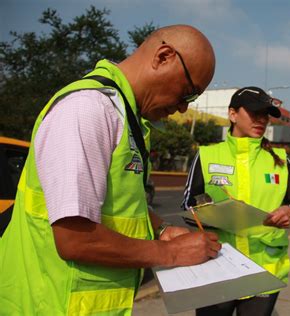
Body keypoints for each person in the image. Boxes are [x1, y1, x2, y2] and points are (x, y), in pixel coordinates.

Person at [0, 25, 222, 315]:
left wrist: (162, 230)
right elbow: (74, 240)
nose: (182, 108)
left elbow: (119, 206)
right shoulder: (87, 111)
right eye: (188, 94)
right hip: (51, 305)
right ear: (164, 56)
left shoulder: (125, 117)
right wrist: (171, 252)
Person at [182, 86, 290, 316]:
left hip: (265, 269)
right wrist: (212, 213)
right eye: (255, 113)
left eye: (266, 115)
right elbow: (188, 206)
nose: (262, 120)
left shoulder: (280, 160)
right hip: (217, 267)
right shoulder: (207, 155)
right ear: (232, 114)